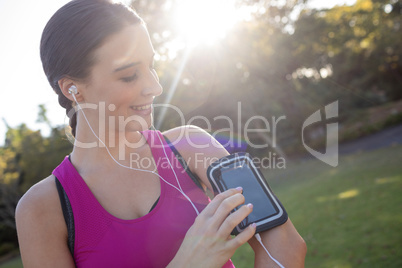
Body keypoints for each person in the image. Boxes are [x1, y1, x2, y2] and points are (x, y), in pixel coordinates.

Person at [15, 0, 307, 267]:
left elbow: (286, 245)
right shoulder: (41, 209)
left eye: (151, 66)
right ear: (72, 89)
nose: (155, 87)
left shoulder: (194, 145)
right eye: (129, 75)